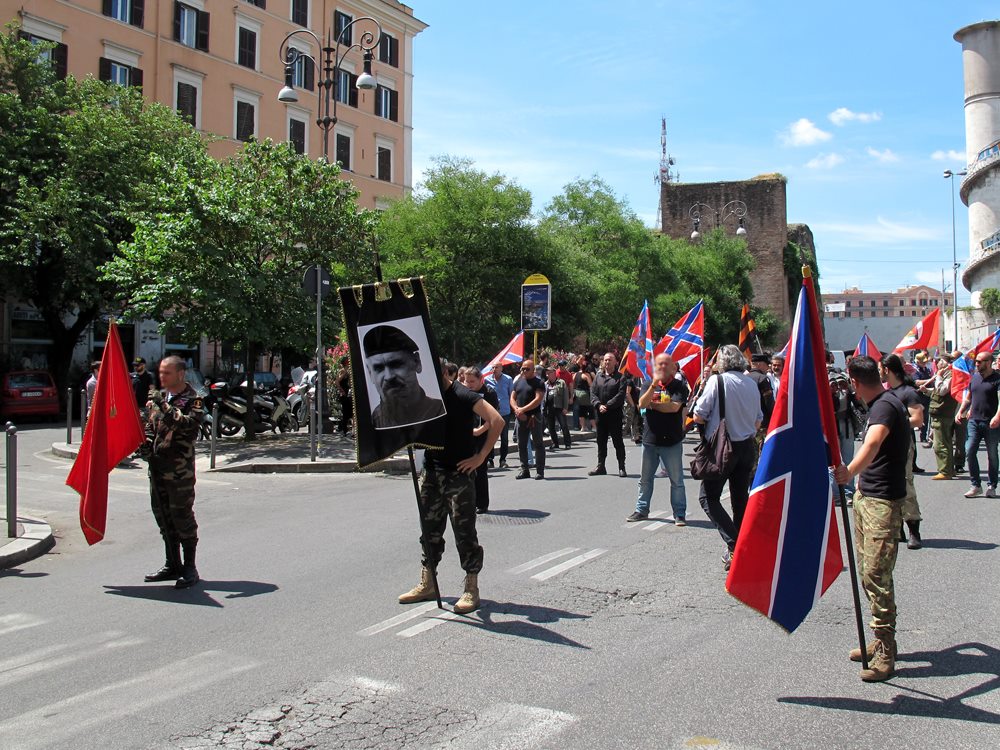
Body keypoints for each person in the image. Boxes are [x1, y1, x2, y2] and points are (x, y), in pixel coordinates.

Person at [398, 360, 503, 613]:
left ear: (445, 373)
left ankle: (471, 588)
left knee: (464, 533)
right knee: (430, 531)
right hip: (433, 474)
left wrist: (480, 458)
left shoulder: (463, 394)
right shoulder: (427, 397)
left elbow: (497, 420)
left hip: (458, 476)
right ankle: (429, 583)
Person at [833, 355, 910, 682]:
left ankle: (886, 650)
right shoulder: (885, 401)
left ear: (854, 382)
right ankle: (878, 639)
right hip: (869, 498)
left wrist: (849, 472)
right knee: (867, 572)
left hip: (881, 503)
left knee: (876, 574)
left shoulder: (884, 406)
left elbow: (875, 441)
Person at [693, 344, 762, 570]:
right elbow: (758, 420)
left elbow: (699, 414)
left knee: (708, 497)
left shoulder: (717, 381)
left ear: (722, 362)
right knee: (739, 499)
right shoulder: (751, 383)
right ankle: (740, 548)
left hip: (724, 447)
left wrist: (708, 429)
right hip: (747, 446)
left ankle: (736, 545)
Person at [139, 356, 205, 589]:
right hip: (157, 468)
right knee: (164, 518)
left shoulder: (194, 399)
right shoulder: (160, 399)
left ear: (180, 374)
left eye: (167, 373)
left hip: (179, 472)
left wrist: (164, 406)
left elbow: (188, 427)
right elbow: (151, 425)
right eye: (160, 373)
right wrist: (146, 441)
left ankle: (189, 567)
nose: (162, 377)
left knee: (182, 518)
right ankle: (172, 564)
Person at [627, 354, 689, 524]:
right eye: (658, 365)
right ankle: (641, 510)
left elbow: (673, 407)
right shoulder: (649, 384)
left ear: (672, 368)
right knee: (645, 479)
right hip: (650, 440)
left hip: (671, 440)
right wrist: (653, 385)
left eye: (664, 365)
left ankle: (679, 513)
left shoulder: (679, 386)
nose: (661, 368)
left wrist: (652, 405)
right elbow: (641, 404)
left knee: (677, 481)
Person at [880, 354, 925, 549]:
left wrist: (893, 422)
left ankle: (914, 530)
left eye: (880, 368)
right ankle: (898, 529)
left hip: (903, 444)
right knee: (889, 486)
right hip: (886, 445)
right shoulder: (886, 393)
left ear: (887, 370)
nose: (879, 372)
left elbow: (918, 420)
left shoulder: (908, 392)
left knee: (906, 486)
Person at [362, 325, 445, 429]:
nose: (389, 376)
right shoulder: (374, 422)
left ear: (417, 362)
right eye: (379, 368)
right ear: (370, 374)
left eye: (396, 364)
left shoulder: (439, 411)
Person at [957, 350, 1000, 498]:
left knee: (992, 454)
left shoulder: (997, 379)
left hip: (991, 423)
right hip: (974, 421)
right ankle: (975, 485)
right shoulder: (974, 378)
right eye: (976, 361)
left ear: (988, 363)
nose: (977, 364)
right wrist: (961, 411)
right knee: (969, 451)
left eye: (980, 361)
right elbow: (968, 397)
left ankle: (992, 485)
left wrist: (997, 417)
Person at [590, 352, 628, 477]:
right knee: (601, 441)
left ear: (615, 362)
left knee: (617, 441)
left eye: (610, 360)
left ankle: (621, 467)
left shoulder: (620, 378)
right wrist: (598, 405)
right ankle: (601, 465)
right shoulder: (598, 377)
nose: (607, 362)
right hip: (600, 415)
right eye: (605, 360)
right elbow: (593, 393)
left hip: (614, 415)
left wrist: (607, 405)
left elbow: (621, 395)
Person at [511, 359, 546, 480]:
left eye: (527, 369)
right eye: (522, 368)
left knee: (538, 444)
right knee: (521, 444)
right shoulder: (519, 382)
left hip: (533, 417)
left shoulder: (539, 383)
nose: (524, 371)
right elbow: (513, 397)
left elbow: (537, 400)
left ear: (533, 370)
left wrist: (523, 410)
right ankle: (524, 469)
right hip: (520, 417)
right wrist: (516, 409)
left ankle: (540, 471)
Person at [925, 355, 959, 480]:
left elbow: (942, 390)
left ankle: (945, 471)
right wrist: (926, 390)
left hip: (943, 412)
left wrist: (938, 376)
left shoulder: (949, 375)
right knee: (945, 442)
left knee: (940, 444)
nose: (938, 363)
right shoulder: (946, 374)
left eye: (941, 361)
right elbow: (937, 391)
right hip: (941, 411)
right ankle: (949, 469)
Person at [485, 362, 514, 468]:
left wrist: (514, 408)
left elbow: (512, 394)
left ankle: (503, 460)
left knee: (504, 437)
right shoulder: (487, 380)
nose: (494, 369)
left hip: (504, 412)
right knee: (490, 436)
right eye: (493, 367)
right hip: (491, 412)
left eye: (496, 367)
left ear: (501, 368)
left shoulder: (508, 379)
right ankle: (490, 460)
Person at [543, 365, 571, 450]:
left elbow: (566, 396)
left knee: (564, 426)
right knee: (551, 428)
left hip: (559, 408)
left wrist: (565, 408)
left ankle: (567, 443)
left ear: (554, 373)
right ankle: (555, 443)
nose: (547, 375)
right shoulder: (545, 384)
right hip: (549, 408)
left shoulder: (561, 382)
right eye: (546, 373)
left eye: (549, 373)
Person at [913, 351, 933, 446]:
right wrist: (929, 380)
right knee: (916, 416)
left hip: (926, 396)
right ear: (918, 362)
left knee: (926, 417)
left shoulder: (927, 370)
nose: (925, 363)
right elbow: (916, 382)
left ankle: (923, 436)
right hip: (918, 397)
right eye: (923, 362)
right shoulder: (915, 371)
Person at [572, 361, 594, 431]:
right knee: (590, 410)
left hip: (577, 394)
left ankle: (583, 427)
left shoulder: (575, 374)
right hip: (585, 394)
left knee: (581, 410)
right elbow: (591, 385)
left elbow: (573, 384)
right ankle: (594, 427)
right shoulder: (586, 375)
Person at [335, 356, 353, 434]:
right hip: (343, 393)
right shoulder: (342, 371)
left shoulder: (348, 371)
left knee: (349, 411)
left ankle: (345, 428)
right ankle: (344, 429)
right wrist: (341, 390)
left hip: (347, 392)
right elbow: (337, 382)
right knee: (346, 412)